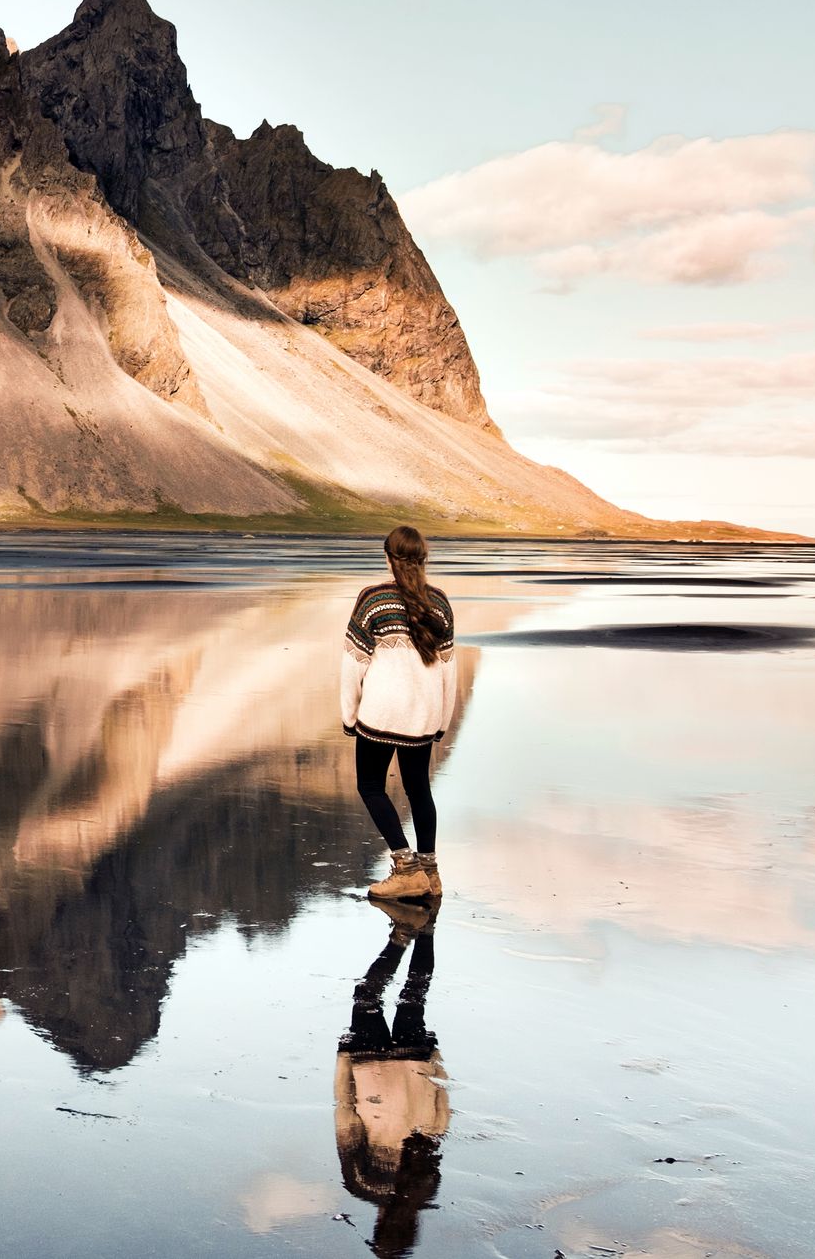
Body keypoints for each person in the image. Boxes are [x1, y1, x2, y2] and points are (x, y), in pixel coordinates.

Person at [341, 525, 456, 902]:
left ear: (388, 557)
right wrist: (441, 721)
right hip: (423, 715)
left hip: (381, 715)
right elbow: (448, 668)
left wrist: (349, 716)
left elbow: (353, 664)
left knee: (370, 786)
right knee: (419, 787)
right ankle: (431, 873)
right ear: (423, 558)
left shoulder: (372, 599)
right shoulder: (439, 603)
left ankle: (405, 868)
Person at [334, 901, 448, 1258]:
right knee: (366, 998)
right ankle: (400, 937)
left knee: (414, 996)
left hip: (415, 1074)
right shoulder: (362, 1184)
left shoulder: (426, 1188)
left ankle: (426, 930)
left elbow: (439, 1122)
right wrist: (344, 1061)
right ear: (379, 1224)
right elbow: (346, 1120)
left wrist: (435, 1064)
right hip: (372, 1073)